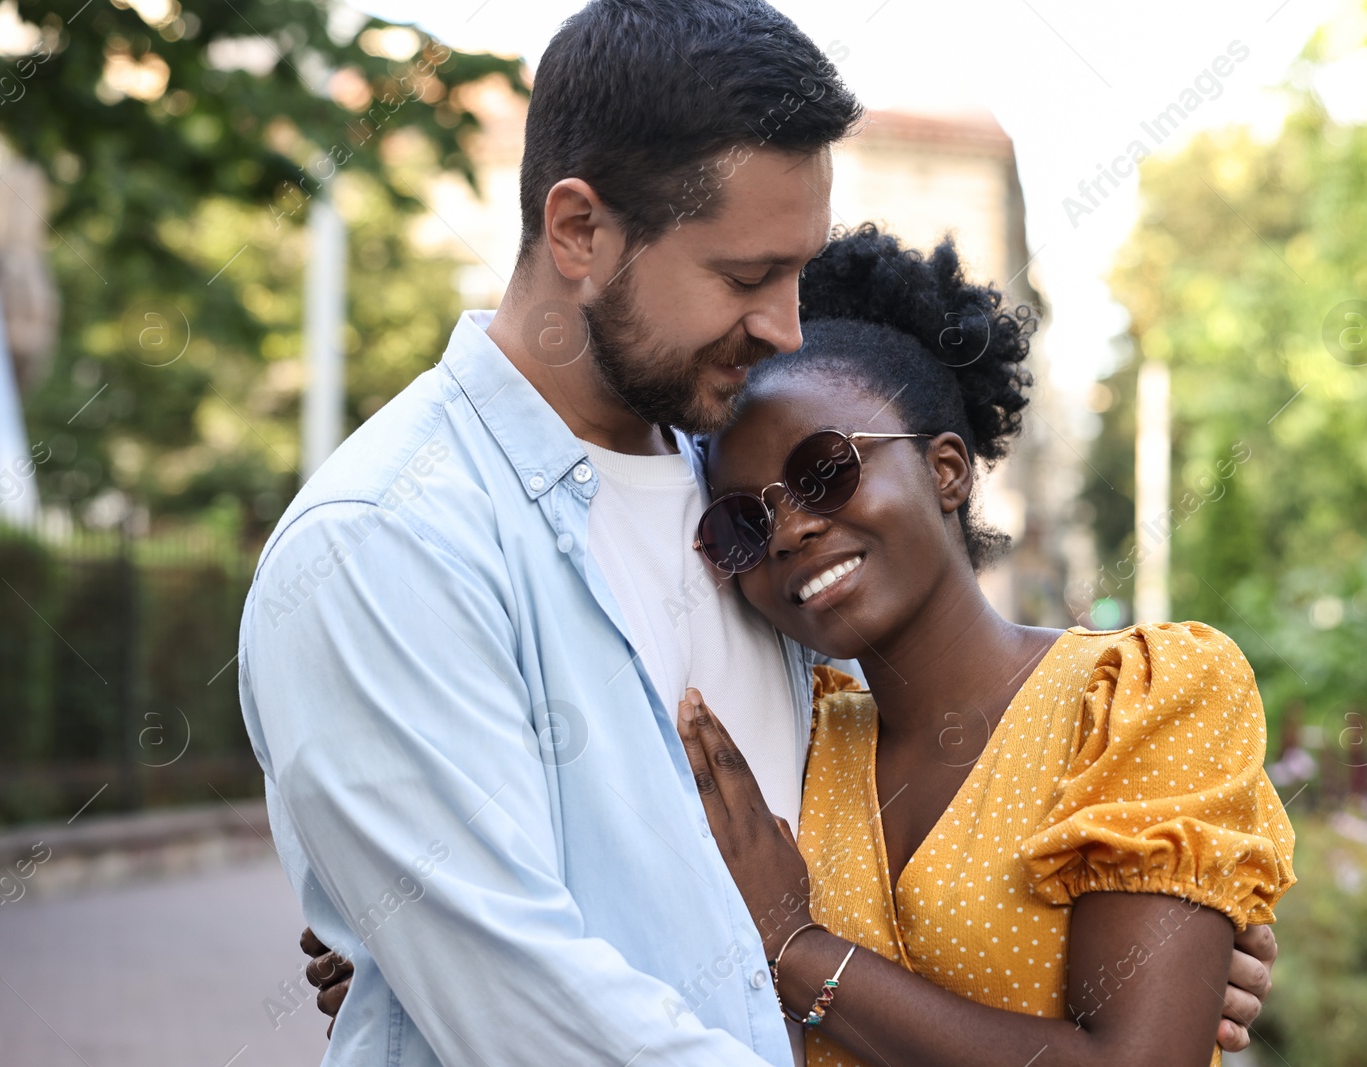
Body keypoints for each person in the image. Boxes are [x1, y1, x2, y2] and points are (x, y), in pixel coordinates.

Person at [258, 2, 1278, 1064]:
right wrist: (399, 954)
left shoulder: (738, 506)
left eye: (797, 272)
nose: (786, 326)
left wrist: (1167, 934)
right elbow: (516, 999)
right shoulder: (389, 541)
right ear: (578, 232)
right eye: (745, 278)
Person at [673, 224, 1296, 1065]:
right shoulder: (800, 736)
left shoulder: (1135, 697)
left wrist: (799, 950)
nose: (790, 530)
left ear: (946, 470)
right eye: (743, 521)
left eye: (825, 470)